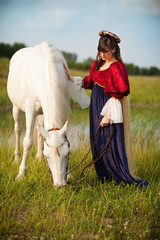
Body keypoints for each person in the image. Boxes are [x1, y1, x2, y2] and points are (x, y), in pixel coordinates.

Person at [64, 30, 148, 188]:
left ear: (114, 50)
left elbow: (119, 94)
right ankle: (104, 178)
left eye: (106, 51)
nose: (103, 54)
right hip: (95, 109)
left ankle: (118, 176)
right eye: (100, 51)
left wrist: (108, 116)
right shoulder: (97, 65)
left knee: (109, 144)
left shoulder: (118, 68)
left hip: (109, 110)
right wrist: (69, 77)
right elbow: (88, 82)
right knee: (97, 142)